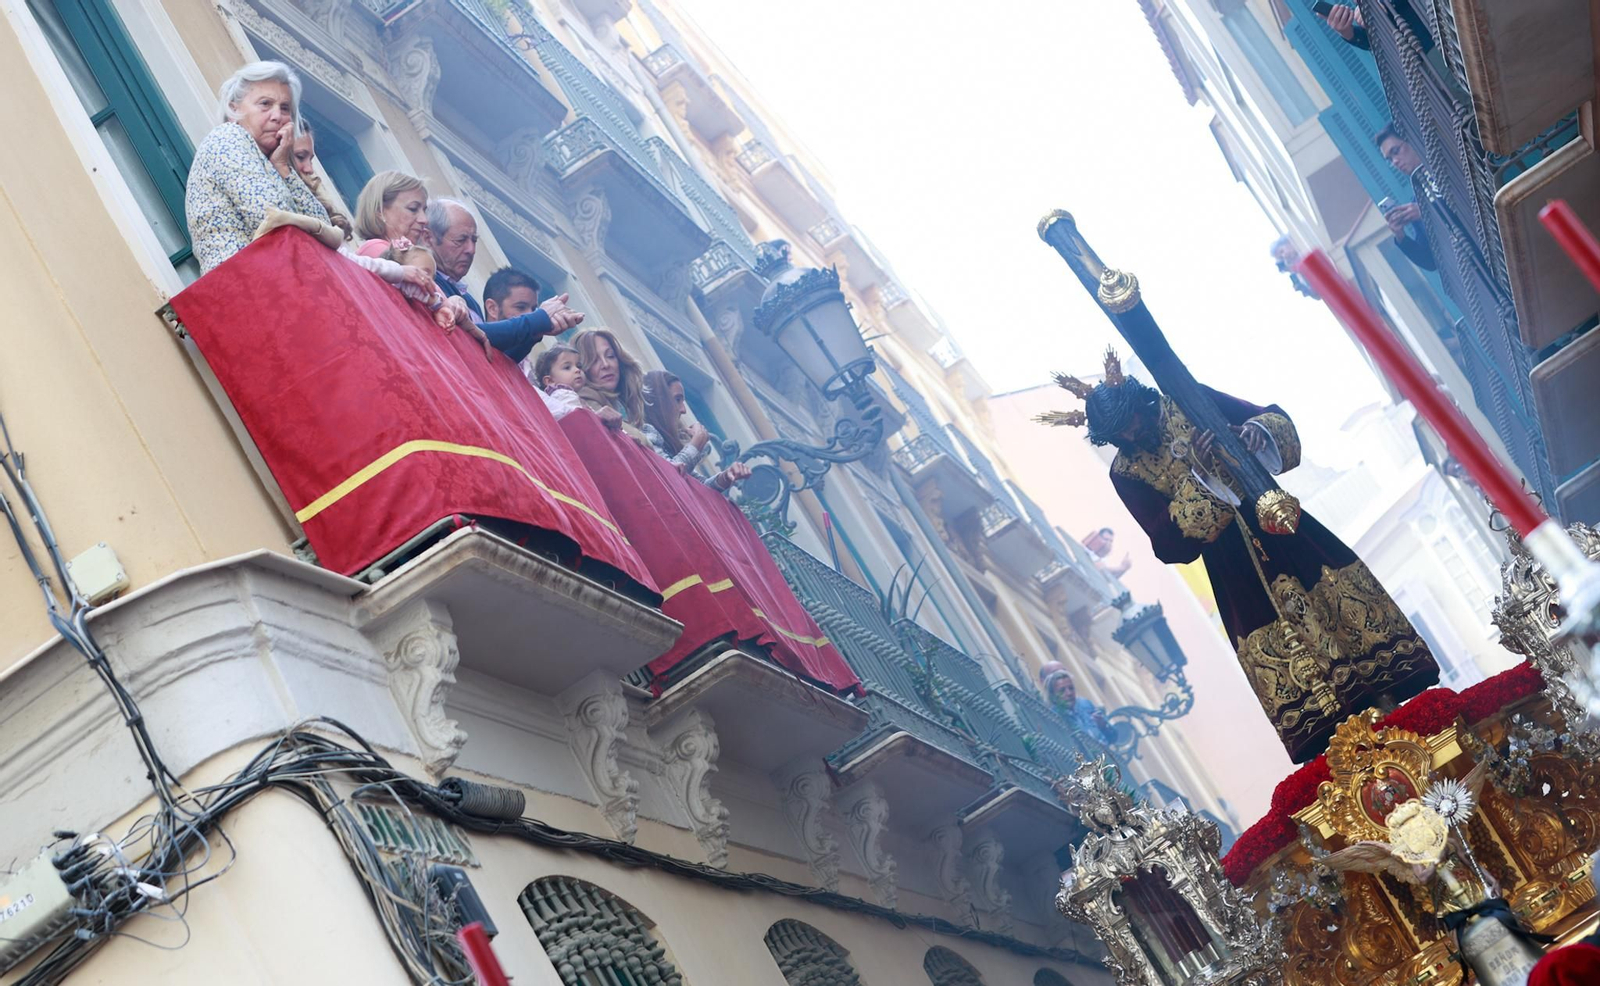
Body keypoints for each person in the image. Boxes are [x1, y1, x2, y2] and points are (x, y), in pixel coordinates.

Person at [1039, 349, 1439, 763]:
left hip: (1280, 527)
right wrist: (1201, 475)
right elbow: (1167, 543)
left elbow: (1272, 419)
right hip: (1233, 571)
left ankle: (1398, 709)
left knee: (1342, 615)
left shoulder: (1185, 398)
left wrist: (1250, 435)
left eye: (1133, 425)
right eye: (1121, 435)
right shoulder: (1125, 472)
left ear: (1138, 401)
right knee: (1293, 669)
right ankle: (1348, 752)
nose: (1133, 436)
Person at [185, 61, 330, 273]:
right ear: (234, 108)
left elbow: (324, 230)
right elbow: (275, 224)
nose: (277, 116)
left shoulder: (268, 159)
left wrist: (282, 166)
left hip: (271, 283)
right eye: (265, 104)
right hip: (243, 285)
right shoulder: (228, 138)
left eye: (285, 108)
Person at [424, 199, 583, 361]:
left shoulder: (468, 299)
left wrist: (537, 332)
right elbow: (466, 336)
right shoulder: (426, 282)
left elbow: (491, 358)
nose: (471, 250)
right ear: (429, 238)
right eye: (460, 240)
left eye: (474, 240)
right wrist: (539, 319)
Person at [640, 370, 752, 491]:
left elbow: (700, 486)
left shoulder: (666, 443)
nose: (683, 410)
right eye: (677, 399)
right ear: (658, 401)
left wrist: (726, 477)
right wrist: (696, 444)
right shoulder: (646, 431)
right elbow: (667, 476)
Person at [1374, 125, 1437, 271]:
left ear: (1412, 141)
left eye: (1396, 151)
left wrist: (1427, 213)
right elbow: (1430, 262)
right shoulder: (1417, 202)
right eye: (1390, 159)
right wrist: (1401, 236)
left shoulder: (1445, 166)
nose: (1395, 161)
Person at [575, 328, 648, 440]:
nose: (605, 364)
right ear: (581, 368)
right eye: (594, 360)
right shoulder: (584, 398)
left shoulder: (625, 404)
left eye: (610, 356)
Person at [1039, 662, 1114, 745]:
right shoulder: (1052, 718)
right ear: (1052, 694)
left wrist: (1104, 727)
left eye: (1071, 688)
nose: (1069, 693)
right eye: (1062, 691)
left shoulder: (1085, 704)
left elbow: (1114, 737)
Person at [531, 343, 586, 422]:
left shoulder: (569, 393)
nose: (577, 370)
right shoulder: (562, 394)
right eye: (567, 367)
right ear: (550, 381)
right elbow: (576, 418)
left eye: (579, 366)